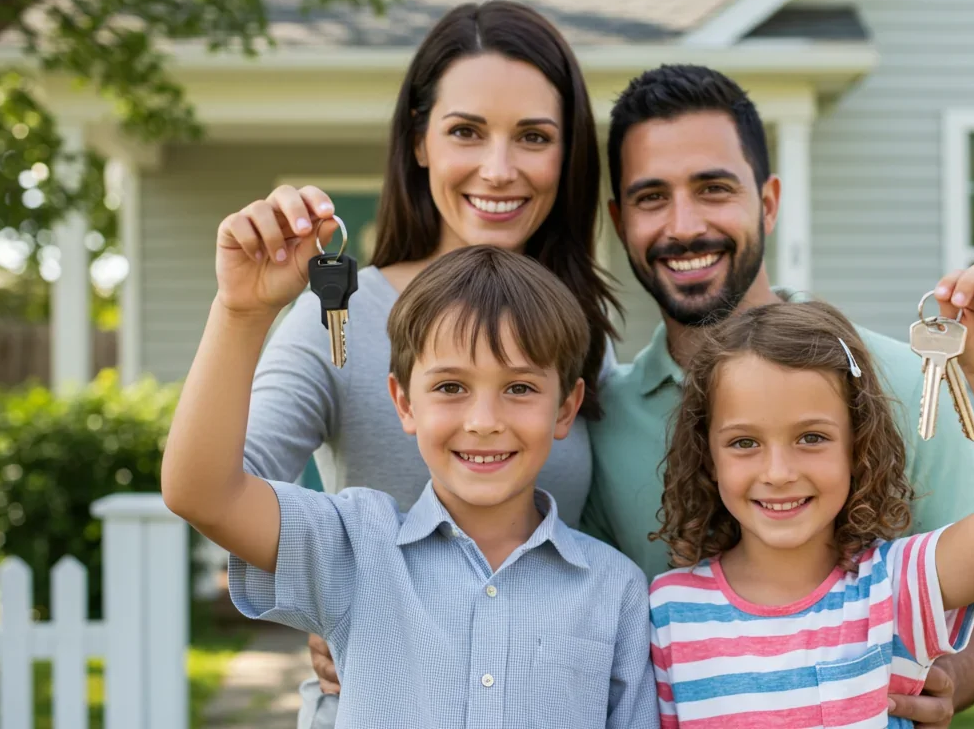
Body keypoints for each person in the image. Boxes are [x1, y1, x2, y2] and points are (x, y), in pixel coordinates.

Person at [581, 64, 974, 723]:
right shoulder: (603, 418)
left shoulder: (901, 382)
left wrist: (946, 681)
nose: (683, 225)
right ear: (620, 221)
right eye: (651, 198)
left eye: (713, 188)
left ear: (767, 201)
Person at [216, 1, 620, 720]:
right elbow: (222, 485)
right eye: (467, 132)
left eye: (533, 136)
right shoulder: (340, 313)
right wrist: (337, 605)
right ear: (421, 141)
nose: (499, 170)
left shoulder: (580, 326)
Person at [162, 245, 657, 728]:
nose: (484, 421)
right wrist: (240, 311)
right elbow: (202, 493)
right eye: (450, 387)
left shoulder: (617, 590)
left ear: (566, 408)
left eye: (519, 388)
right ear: (404, 402)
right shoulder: (355, 546)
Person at [647, 280, 974, 728]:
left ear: (856, 447)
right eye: (744, 442)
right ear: (708, 458)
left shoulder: (894, 586)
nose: (779, 472)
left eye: (811, 438)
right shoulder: (669, 610)